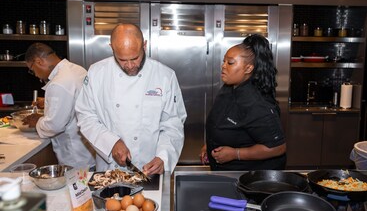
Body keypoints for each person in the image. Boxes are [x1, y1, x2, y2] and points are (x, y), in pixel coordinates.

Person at [75, 23, 187, 175]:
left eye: (135, 58)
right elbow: (85, 116)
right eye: (122, 60)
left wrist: (163, 157)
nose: (129, 65)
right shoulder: (96, 73)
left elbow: (173, 123)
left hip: (149, 169)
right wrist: (111, 143)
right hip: (110, 170)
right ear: (111, 48)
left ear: (144, 46)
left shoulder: (165, 76)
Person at [199, 34, 286, 170]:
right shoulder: (229, 88)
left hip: (247, 177)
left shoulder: (256, 103)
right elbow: (222, 123)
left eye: (230, 63)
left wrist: (235, 154)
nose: (223, 66)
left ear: (248, 68)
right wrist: (210, 144)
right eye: (224, 61)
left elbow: (277, 148)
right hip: (223, 171)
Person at [23, 43, 96, 169]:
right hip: (88, 150)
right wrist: (48, 102)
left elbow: (55, 125)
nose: (35, 74)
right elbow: (73, 103)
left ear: (39, 61)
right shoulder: (76, 69)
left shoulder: (58, 83)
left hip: (75, 156)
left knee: (77, 187)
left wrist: (37, 121)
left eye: (32, 69)